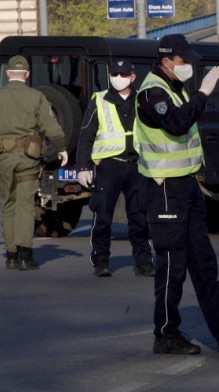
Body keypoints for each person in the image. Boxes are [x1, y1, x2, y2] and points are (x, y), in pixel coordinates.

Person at [136, 34, 219, 355]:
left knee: (204, 260)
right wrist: (205, 92)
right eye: (184, 61)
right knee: (171, 264)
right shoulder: (152, 92)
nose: (189, 66)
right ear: (167, 62)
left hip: (187, 186)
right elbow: (177, 125)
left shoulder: (174, 89)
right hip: (165, 189)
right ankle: (165, 334)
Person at [0, 55, 67, 270]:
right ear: (27, 75)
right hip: (28, 158)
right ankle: (26, 256)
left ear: (8, 74)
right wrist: (61, 148)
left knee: (8, 205)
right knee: (25, 205)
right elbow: (51, 127)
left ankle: (10, 255)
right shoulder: (36, 97)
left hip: (4, 159)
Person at [76, 59, 155, 278]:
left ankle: (144, 262)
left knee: (139, 216)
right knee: (102, 216)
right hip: (109, 166)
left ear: (132, 77)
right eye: (114, 74)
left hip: (137, 165)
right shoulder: (99, 100)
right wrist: (83, 166)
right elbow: (86, 135)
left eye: (123, 75)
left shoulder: (143, 99)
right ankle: (101, 260)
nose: (118, 79)